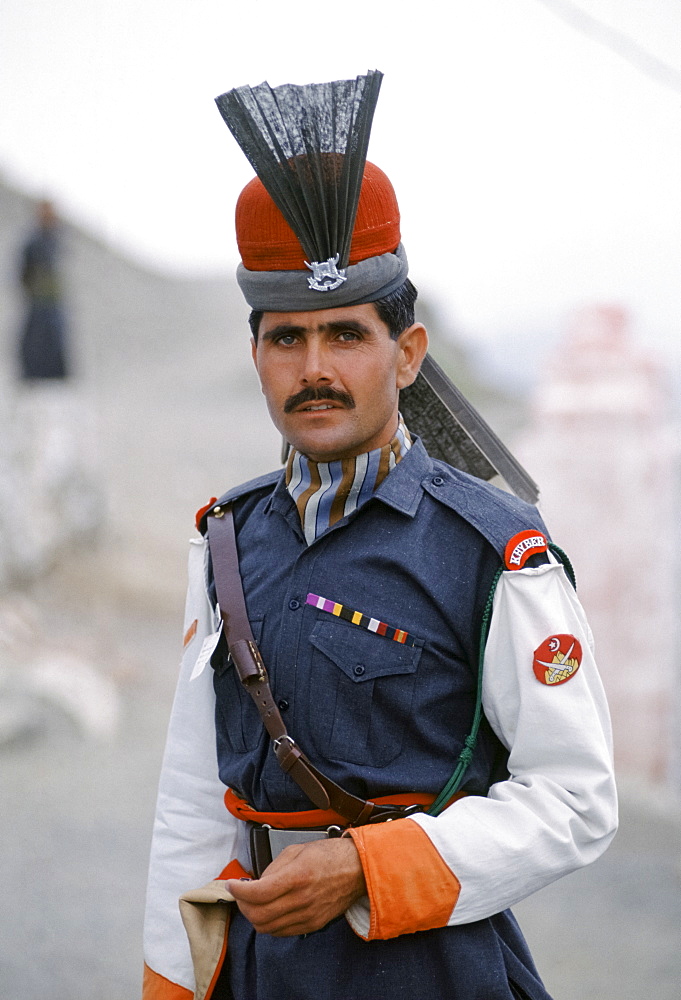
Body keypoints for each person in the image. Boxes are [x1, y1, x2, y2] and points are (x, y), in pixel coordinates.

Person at [143, 74, 617, 1000]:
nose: (314, 370)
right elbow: (194, 799)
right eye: (286, 339)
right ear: (256, 354)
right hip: (258, 968)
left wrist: (368, 866)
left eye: (345, 335)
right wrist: (170, 983)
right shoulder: (226, 539)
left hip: (431, 966)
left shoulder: (494, 550)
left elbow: (576, 800)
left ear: (406, 353)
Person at [18, 199, 70, 380]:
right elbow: (23, 271)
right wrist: (32, 289)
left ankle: (57, 377)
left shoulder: (55, 240)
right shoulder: (32, 242)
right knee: (34, 341)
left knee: (56, 340)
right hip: (38, 301)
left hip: (53, 302)